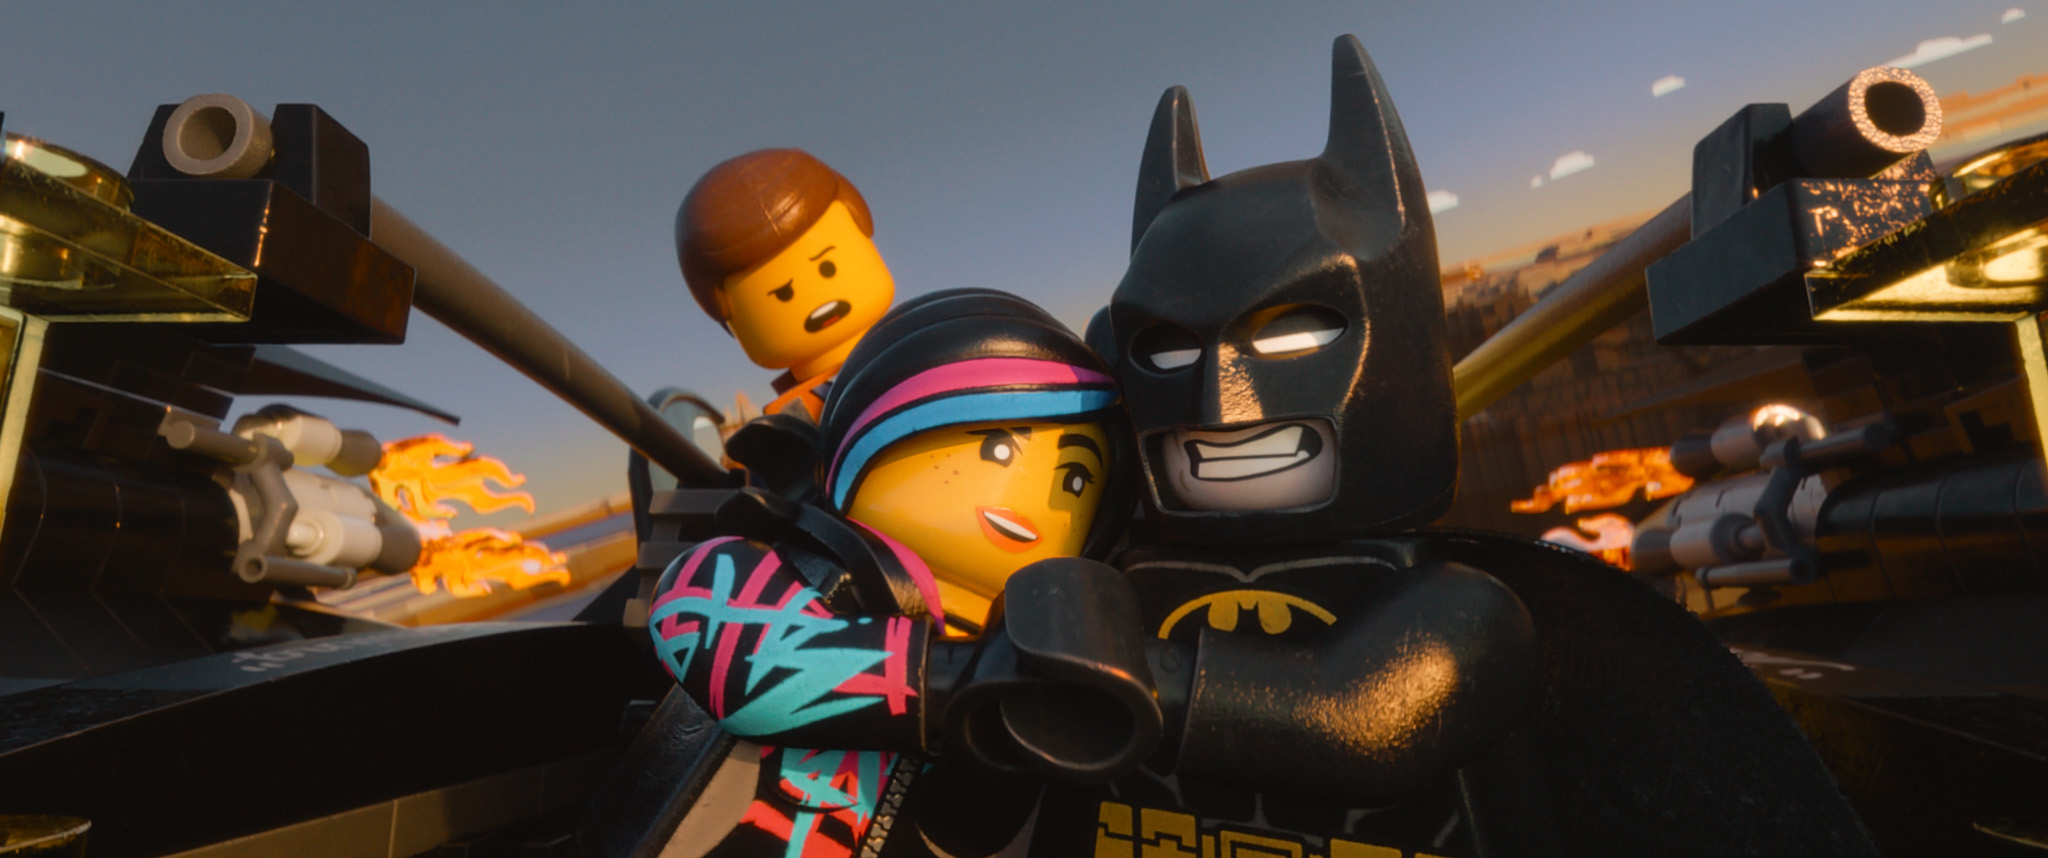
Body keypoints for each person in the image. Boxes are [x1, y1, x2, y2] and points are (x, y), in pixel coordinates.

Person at [645, 289, 1134, 856]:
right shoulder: (807, 574)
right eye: (998, 450)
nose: (1041, 502)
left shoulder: (1041, 634)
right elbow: (693, 610)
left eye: (1076, 481)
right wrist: (942, 676)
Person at [676, 149, 896, 421]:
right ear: (723, 310)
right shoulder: (794, 417)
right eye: (783, 293)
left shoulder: (922, 341)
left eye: (827, 268)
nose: (818, 300)